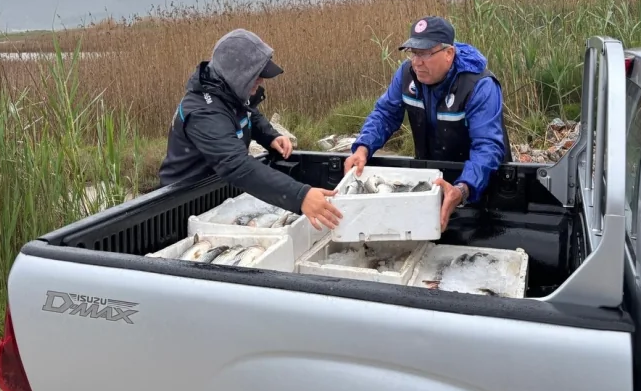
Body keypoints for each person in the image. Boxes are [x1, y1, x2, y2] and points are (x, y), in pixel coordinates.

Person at [158, 28, 342, 230]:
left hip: (219, 195)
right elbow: (237, 165)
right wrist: (301, 196)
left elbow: (247, 112)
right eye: (257, 75)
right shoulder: (203, 113)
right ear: (237, 75)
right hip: (182, 205)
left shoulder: (226, 90)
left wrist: (269, 135)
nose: (262, 80)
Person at [344, 16, 510, 231]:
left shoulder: (479, 86)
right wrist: (363, 147)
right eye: (413, 52)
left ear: (449, 53)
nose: (416, 62)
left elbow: (487, 146)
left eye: (424, 54)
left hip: (481, 183)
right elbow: (385, 114)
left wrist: (463, 188)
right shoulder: (407, 75)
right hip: (432, 178)